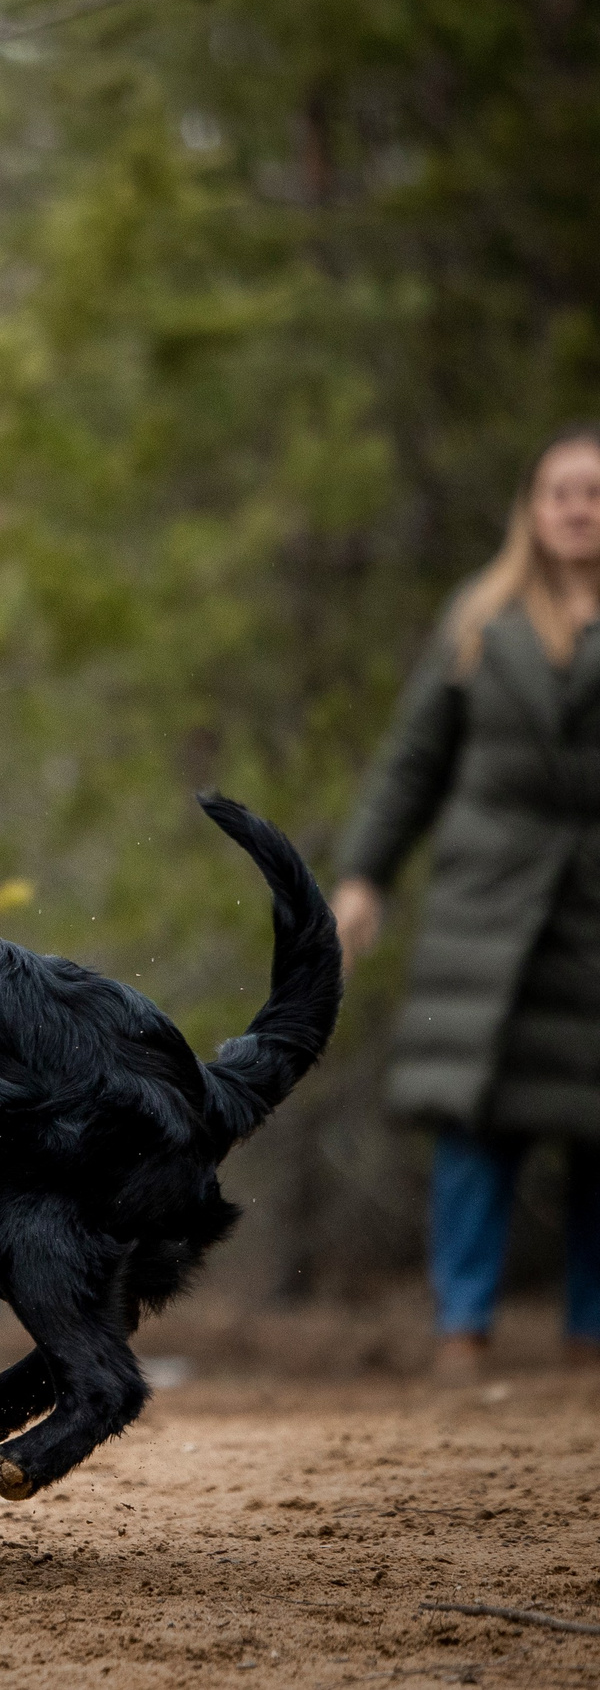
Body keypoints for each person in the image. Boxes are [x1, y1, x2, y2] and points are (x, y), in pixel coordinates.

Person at [335, 426, 600, 1381]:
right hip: (485, 903)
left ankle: (591, 1337)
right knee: (473, 1118)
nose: (576, 507)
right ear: (532, 509)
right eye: (559, 491)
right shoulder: (480, 618)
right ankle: (464, 1327)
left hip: (593, 907)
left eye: (593, 491)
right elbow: (414, 761)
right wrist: (363, 875)